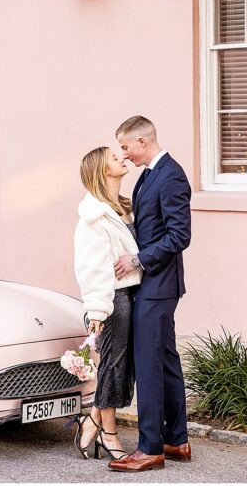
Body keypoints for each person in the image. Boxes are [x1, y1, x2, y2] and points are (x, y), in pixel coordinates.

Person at [108, 115, 192, 473]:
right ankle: (176, 439)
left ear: (143, 142)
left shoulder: (171, 175)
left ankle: (150, 448)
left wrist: (138, 260)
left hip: (158, 286)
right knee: (167, 362)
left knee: (148, 364)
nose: (124, 156)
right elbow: (148, 226)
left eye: (126, 147)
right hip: (154, 284)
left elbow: (180, 235)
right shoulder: (147, 177)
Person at [72, 146, 141, 461]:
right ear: (102, 171)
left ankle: (93, 420)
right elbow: (92, 267)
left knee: (123, 366)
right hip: (112, 298)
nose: (122, 158)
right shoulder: (94, 217)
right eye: (115, 157)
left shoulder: (123, 206)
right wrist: (97, 311)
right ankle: (109, 433)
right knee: (113, 366)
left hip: (131, 293)